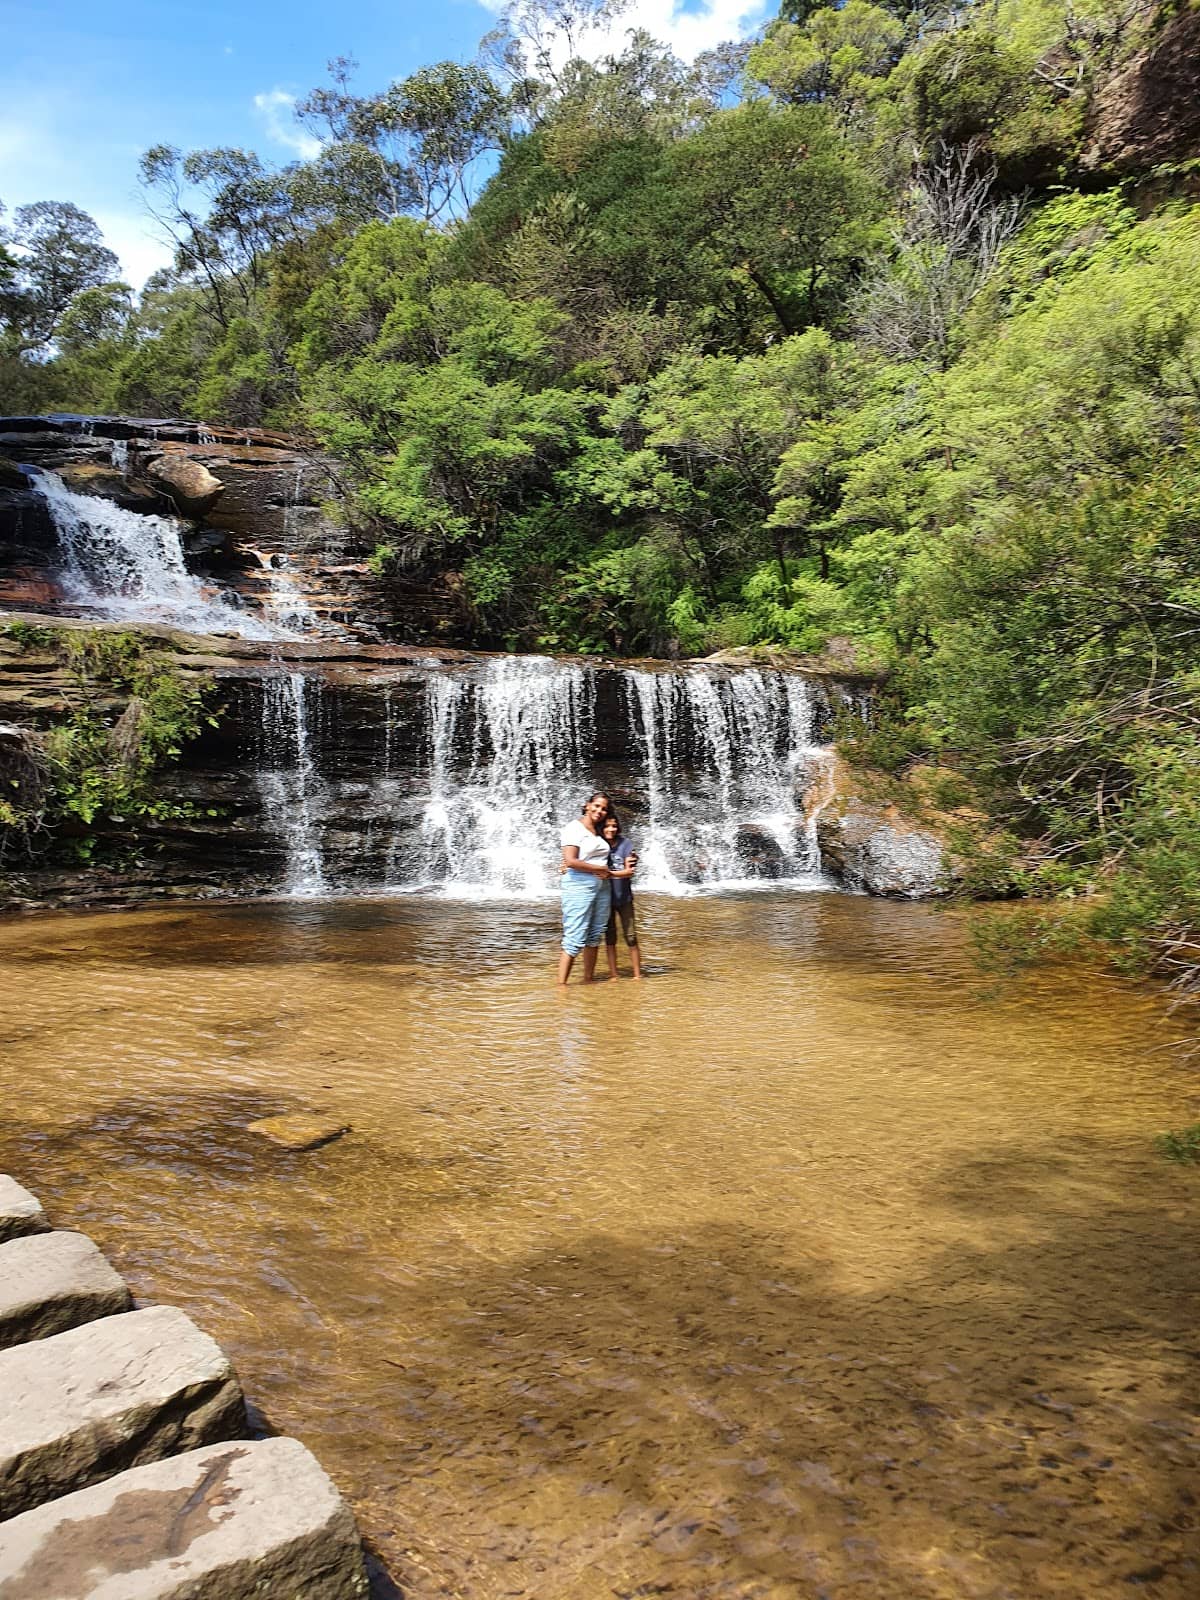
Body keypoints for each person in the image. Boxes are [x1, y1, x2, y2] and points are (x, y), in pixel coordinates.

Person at [557, 792, 614, 985]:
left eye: (604, 808)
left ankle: (588, 980)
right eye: (596, 806)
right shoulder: (574, 828)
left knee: (595, 933)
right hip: (578, 886)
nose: (600, 810)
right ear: (587, 805)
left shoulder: (599, 830)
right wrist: (598, 868)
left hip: (602, 887)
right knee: (575, 935)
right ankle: (561, 987)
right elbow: (570, 860)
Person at [602, 812, 643, 980]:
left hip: (624, 898)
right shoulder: (598, 844)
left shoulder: (625, 844)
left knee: (631, 937)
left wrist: (608, 873)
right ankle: (613, 975)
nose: (611, 829)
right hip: (604, 899)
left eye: (614, 826)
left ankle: (637, 975)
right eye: (607, 826)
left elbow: (628, 872)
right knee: (609, 938)